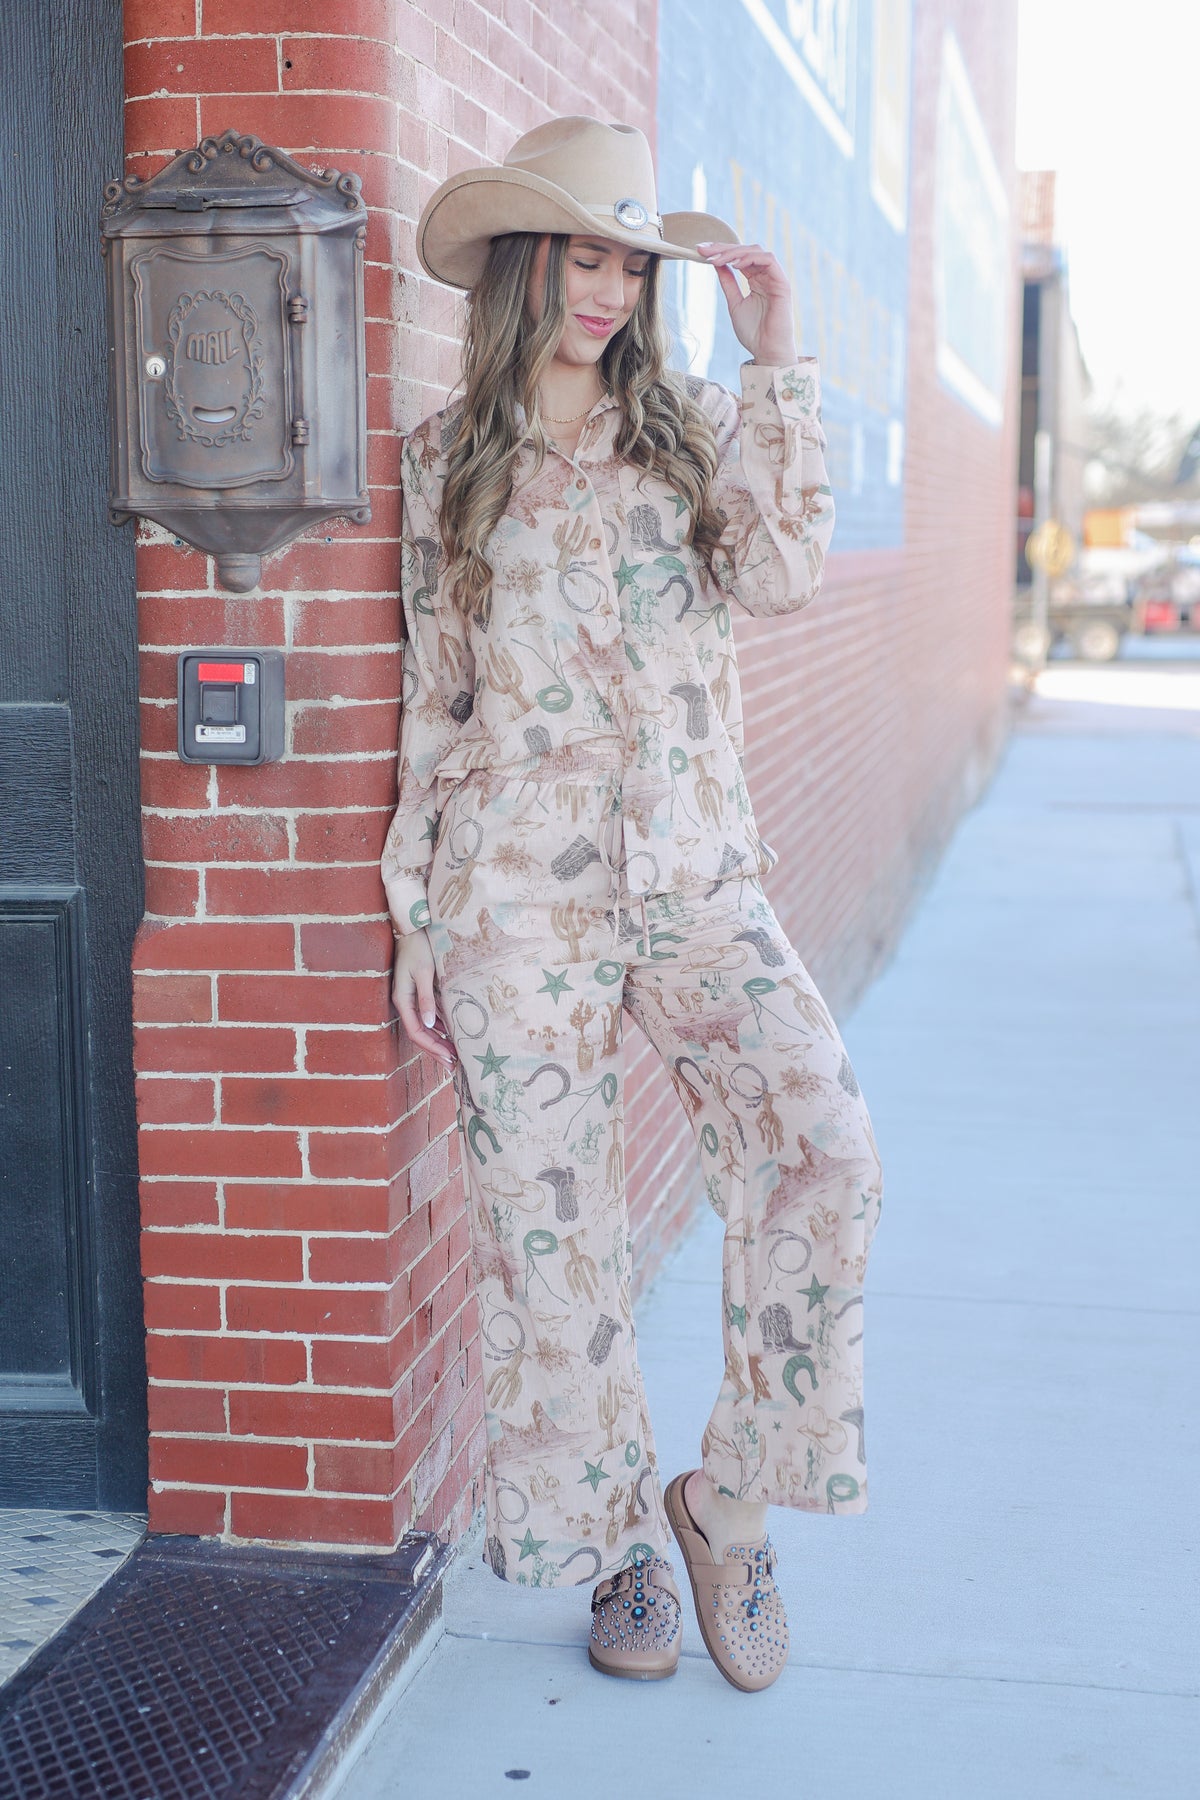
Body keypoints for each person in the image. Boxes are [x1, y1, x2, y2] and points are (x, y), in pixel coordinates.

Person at [382, 116, 883, 1693]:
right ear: (527, 265)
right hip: (512, 896)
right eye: (584, 256)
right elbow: (435, 695)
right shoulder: (443, 461)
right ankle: (615, 1563)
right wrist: (414, 910)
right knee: (553, 1236)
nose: (607, 289)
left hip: (693, 878)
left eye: (627, 263)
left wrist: (780, 358)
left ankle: (723, 1506)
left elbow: (789, 572)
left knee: (824, 1145)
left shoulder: (690, 432)